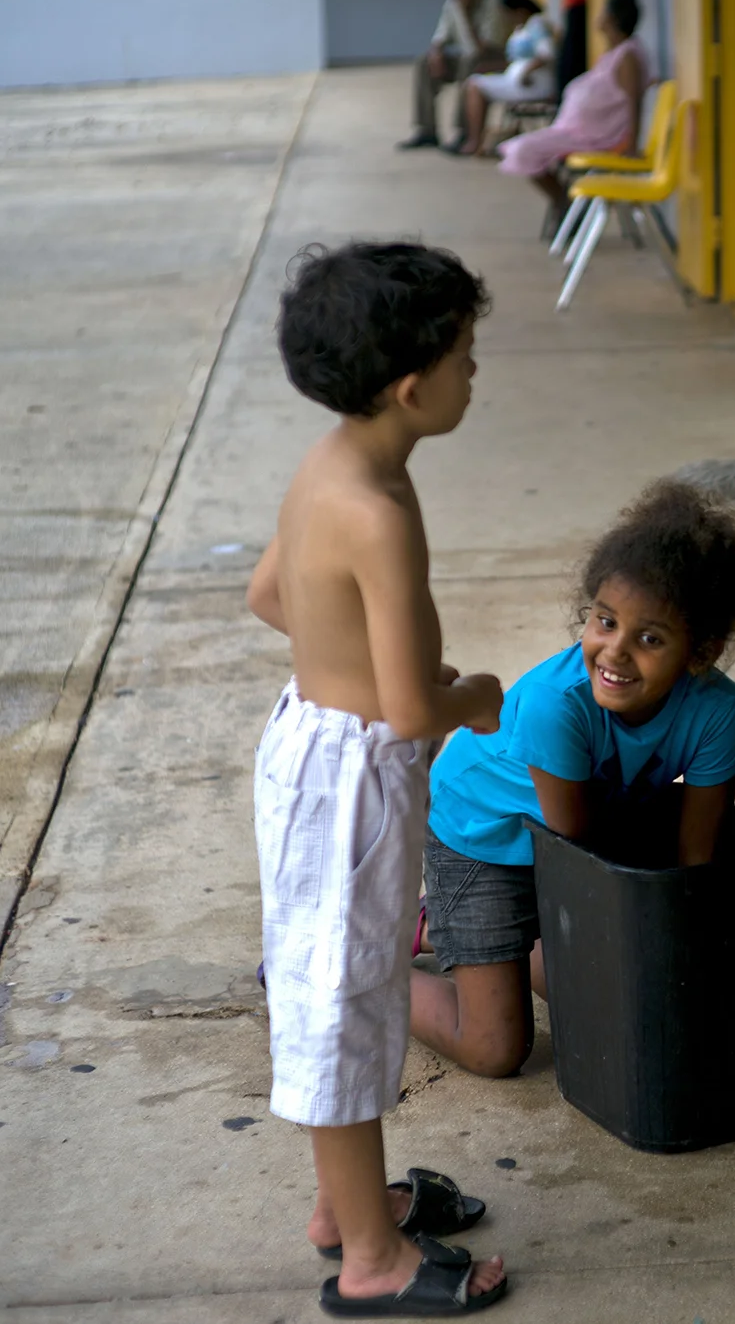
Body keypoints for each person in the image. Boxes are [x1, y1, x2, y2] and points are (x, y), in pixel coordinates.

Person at [247, 242, 510, 1315]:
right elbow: (410, 714)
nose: (475, 374)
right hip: (356, 777)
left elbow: (272, 594)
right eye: (466, 356)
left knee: (336, 988)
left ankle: (345, 1206)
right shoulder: (383, 512)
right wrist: (472, 694)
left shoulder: (331, 463)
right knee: (344, 1002)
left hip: (307, 744)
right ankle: (371, 1261)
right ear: (414, 388)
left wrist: (358, 663)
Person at [410, 481, 735, 1078]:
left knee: (633, 994)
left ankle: (459, 933)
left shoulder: (715, 708)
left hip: (576, 840)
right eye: (605, 622)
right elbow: (574, 838)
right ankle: (362, 971)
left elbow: (695, 853)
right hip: (482, 838)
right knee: (494, 1048)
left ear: (702, 651)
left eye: (650, 638)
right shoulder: (558, 705)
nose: (614, 652)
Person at [496, 0, 650, 240]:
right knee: (520, 148)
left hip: (597, 137)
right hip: (578, 131)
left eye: (602, 12)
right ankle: (563, 200)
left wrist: (632, 143)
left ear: (609, 18)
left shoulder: (628, 56)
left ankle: (562, 200)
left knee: (522, 149)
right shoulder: (616, 52)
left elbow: (634, 102)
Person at [402, 0, 507, 152]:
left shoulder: (491, 3)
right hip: (466, 57)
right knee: (423, 63)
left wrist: (466, 14)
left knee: (469, 63)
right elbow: (441, 35)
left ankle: (464, 132)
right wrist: (436, 54)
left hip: (491, 59)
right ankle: (427, 131)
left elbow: (483, 48)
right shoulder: (451, 4)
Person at [458, 0, 557, 158]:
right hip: (516, 80)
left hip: (533, 83)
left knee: (475, 86)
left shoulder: (537, 24)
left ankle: (475, 141)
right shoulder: (521, 28)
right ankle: (478, 140)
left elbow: (547, 54)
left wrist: (527, 70)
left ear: (519, 10)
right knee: (475, 81)